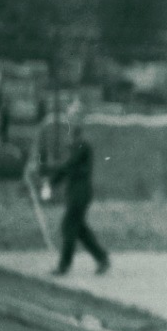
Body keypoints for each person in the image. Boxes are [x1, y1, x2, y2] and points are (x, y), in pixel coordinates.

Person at [45, 101, 110, 277]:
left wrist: (49, 172)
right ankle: (102, 258)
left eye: (74, 117)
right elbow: (67, 168)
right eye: (70, 117)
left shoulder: (82, 144)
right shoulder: (75, 144)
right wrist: (51, 181)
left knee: (69, 227)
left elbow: (69, 166)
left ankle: (64, 266)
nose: (71, 120)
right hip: (76, 192)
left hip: (80, 192)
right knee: (79, 228)